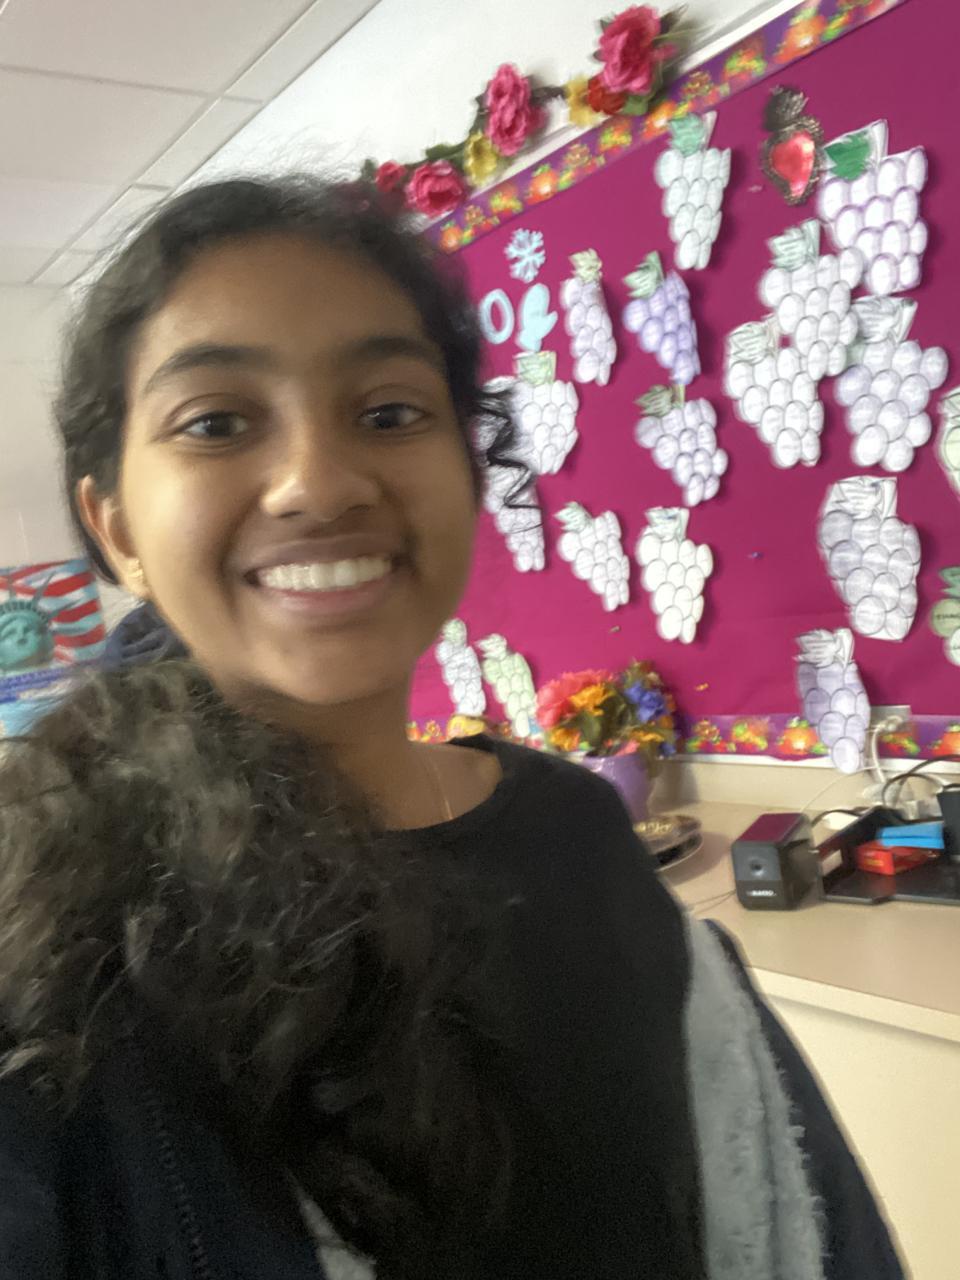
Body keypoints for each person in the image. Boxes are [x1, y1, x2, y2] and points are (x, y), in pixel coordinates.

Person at [0, 176, 903, 1280]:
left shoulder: (577, 827)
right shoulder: (51, 935)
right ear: (116, 529)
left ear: (470, 475)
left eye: (389, 413)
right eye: (217, 423)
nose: (317, 482)